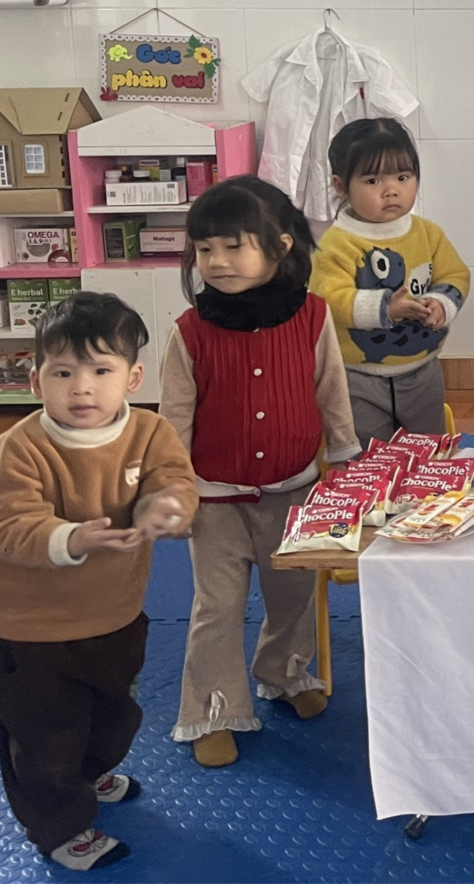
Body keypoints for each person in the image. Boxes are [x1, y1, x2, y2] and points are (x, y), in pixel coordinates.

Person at [0, 293, 195, 871]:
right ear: (36, 380)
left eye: (101, 371)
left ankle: (87, 773)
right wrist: (71, 538)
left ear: (132, 378)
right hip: (31, 630)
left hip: (116, 616)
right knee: (45, 739)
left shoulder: (149, 432)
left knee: (114, 718)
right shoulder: (21, 447)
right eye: (63, 373)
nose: (81, 388)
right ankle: (59, 826)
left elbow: (174, 481)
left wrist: (166, 507)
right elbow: (4, 525)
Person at [159, 176, 359, 768]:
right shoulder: (189, 331)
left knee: (292, 594)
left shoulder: (313, 316)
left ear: (281, 245)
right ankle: (213, 709)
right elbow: (174, 418)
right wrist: (172, 486)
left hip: (294, 491)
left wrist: (344, 457)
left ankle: (284, 672)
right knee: (217, 608)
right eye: (204, 249)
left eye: (233, 246)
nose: (217, 261)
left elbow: (331, 389)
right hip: (214, 500)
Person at [310, 118, 470, 441]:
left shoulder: (428, 233)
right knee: (368, 452)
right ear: (341, 186)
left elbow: (455, 274)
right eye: (373, 180)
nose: (392, 190)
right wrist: (385, 308)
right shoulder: (337, 242)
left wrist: (441, 303)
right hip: (358, 377)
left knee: (429, 447)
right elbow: (328, 297)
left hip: (423, 369)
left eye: (403, 177)